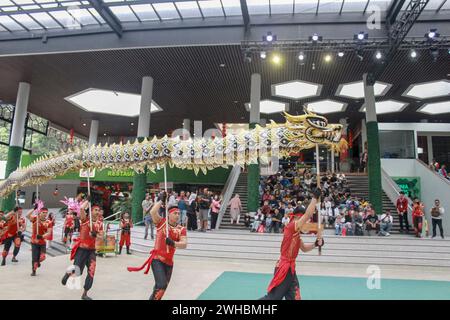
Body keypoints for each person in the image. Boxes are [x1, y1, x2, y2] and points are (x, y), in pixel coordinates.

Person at [259, 189, 323, 300]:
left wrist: (315, 244)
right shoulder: (292, 227)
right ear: (298, 217)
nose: (306, 222)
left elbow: (304, 248)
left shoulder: (296, 234)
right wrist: (314, 198)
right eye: (304, 219)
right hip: (284, 268)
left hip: (290, 270)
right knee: (273, 298)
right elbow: (308, 215)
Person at [127, 192, 187, 300]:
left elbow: (184, 244)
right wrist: (161, 200)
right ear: (169, 214)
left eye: (179, 213)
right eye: (175, 213)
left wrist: (173, 243)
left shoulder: (181, 229)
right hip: (157, 260)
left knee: (160, 289)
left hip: (169, 263)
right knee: (161, 285)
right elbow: (153, 211)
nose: (177, 215)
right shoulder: (161, 222)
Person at [61, 202, 102, 300]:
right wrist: (87, 201)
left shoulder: (100, 223)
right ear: (91, 211)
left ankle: (85, 293)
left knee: (91, 271)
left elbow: (101, 236)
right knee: (77, 271)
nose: (97, 212)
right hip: (82, 249)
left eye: (98, 210)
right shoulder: (85, 219)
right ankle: (68, 274)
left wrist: (95, 235)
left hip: (91, 251)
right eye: (95, 210)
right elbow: (81, 209)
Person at [26, 206, 52, 276]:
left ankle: (38, 261)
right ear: (40, 212)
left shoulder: (49, 222)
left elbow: (49, 233)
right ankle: (34, 270)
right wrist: (34, 208)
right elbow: (27, 215)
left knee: (42, 257)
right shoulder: (35, 219)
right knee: (34, 258)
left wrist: (42, 236)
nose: (45, 214)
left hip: (42, 242)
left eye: (46, 213)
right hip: (34, 242)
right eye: (43, 212)